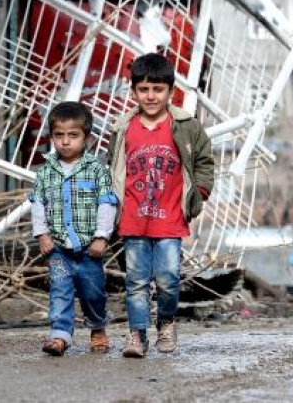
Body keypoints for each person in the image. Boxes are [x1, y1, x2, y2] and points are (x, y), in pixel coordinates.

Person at [108, 53, 215, 358]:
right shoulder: (123, 128)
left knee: (168, 278)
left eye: (157, 89)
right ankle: (137, 334)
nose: (151, 96)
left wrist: (200, 192)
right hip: (133, 219)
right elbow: (112, 167)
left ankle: (165, 323)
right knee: (136, 281)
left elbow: (205, 161)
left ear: (170, 91)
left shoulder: (186, 126)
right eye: (144, 89)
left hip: (170, 218)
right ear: (134, 92)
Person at [30, 102, 118, 356]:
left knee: (93, 294)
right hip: (58, 249)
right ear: (52, 136)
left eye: (73, 135)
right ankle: (60, 335)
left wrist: (102, 237)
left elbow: (106, 204)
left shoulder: (97, 170)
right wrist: (43, 235)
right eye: (59, 135)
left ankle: (98, 328)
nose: (65, 142)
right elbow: (37, 204)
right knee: (60, 291)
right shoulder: (46, 172)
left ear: (86, 138)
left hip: (88, 249)